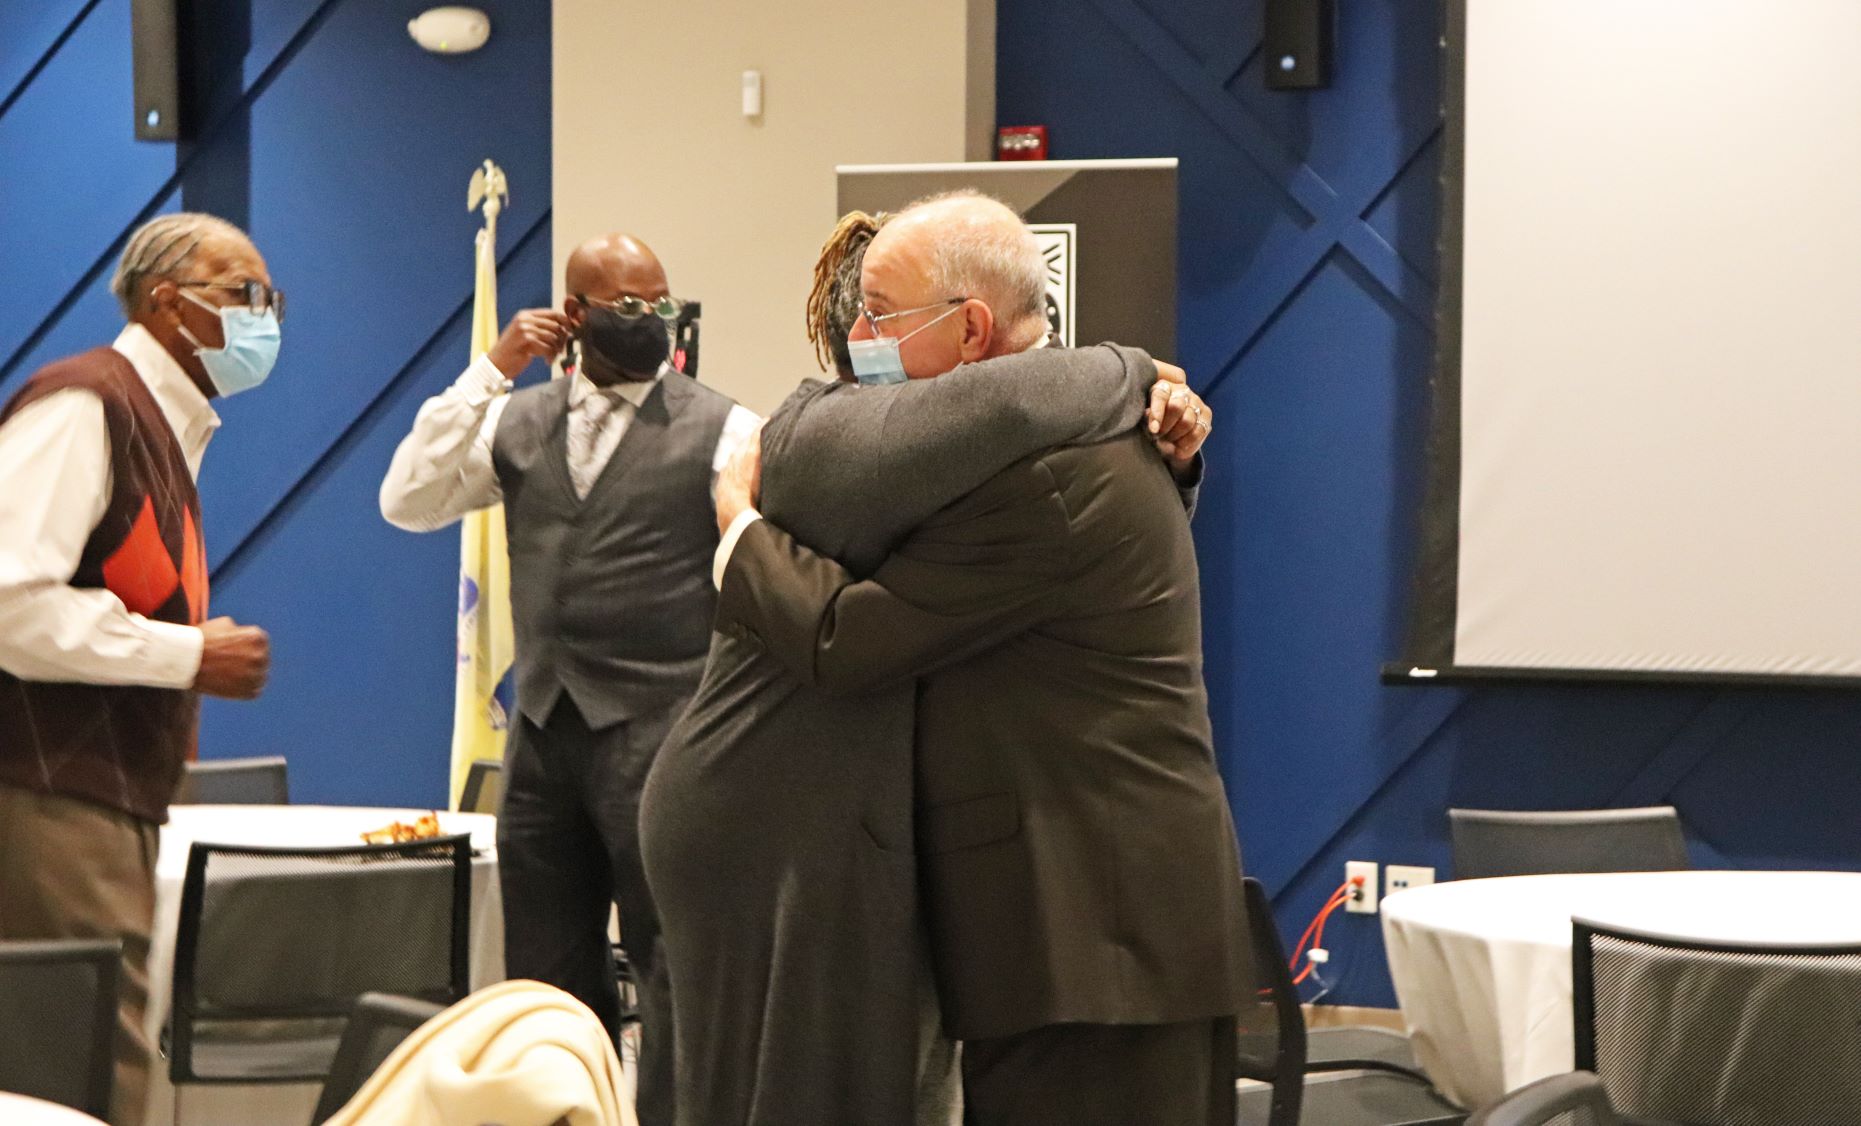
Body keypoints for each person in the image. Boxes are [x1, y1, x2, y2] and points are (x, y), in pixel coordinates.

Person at [638, 202, 1216, 1125]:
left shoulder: (1047, 477)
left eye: (877, 314)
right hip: (1071, 928)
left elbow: (844, 639)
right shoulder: (1040, 446)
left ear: (971, 328)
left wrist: (739, 531)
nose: (857, 342)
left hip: (1093, 940)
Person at [379, 232, 758, 1126]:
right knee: (544, 976)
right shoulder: (517, 420)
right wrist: (492, 368)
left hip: (665, 738)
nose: (651, 319)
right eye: (628, 304)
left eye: (661, 300)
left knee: (676, 969)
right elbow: (406, 497)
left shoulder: (728, 428)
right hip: (543, 741)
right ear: (573, 314)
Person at [0, 212, 278, 1126]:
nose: (265, 315)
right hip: (50, 790)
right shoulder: (86, 403)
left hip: (105, 791)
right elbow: (9, 603)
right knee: (78, 1069)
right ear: (171, 305)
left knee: (95, 1059)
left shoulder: (159, 421)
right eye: (245, 294)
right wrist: (187, 654)